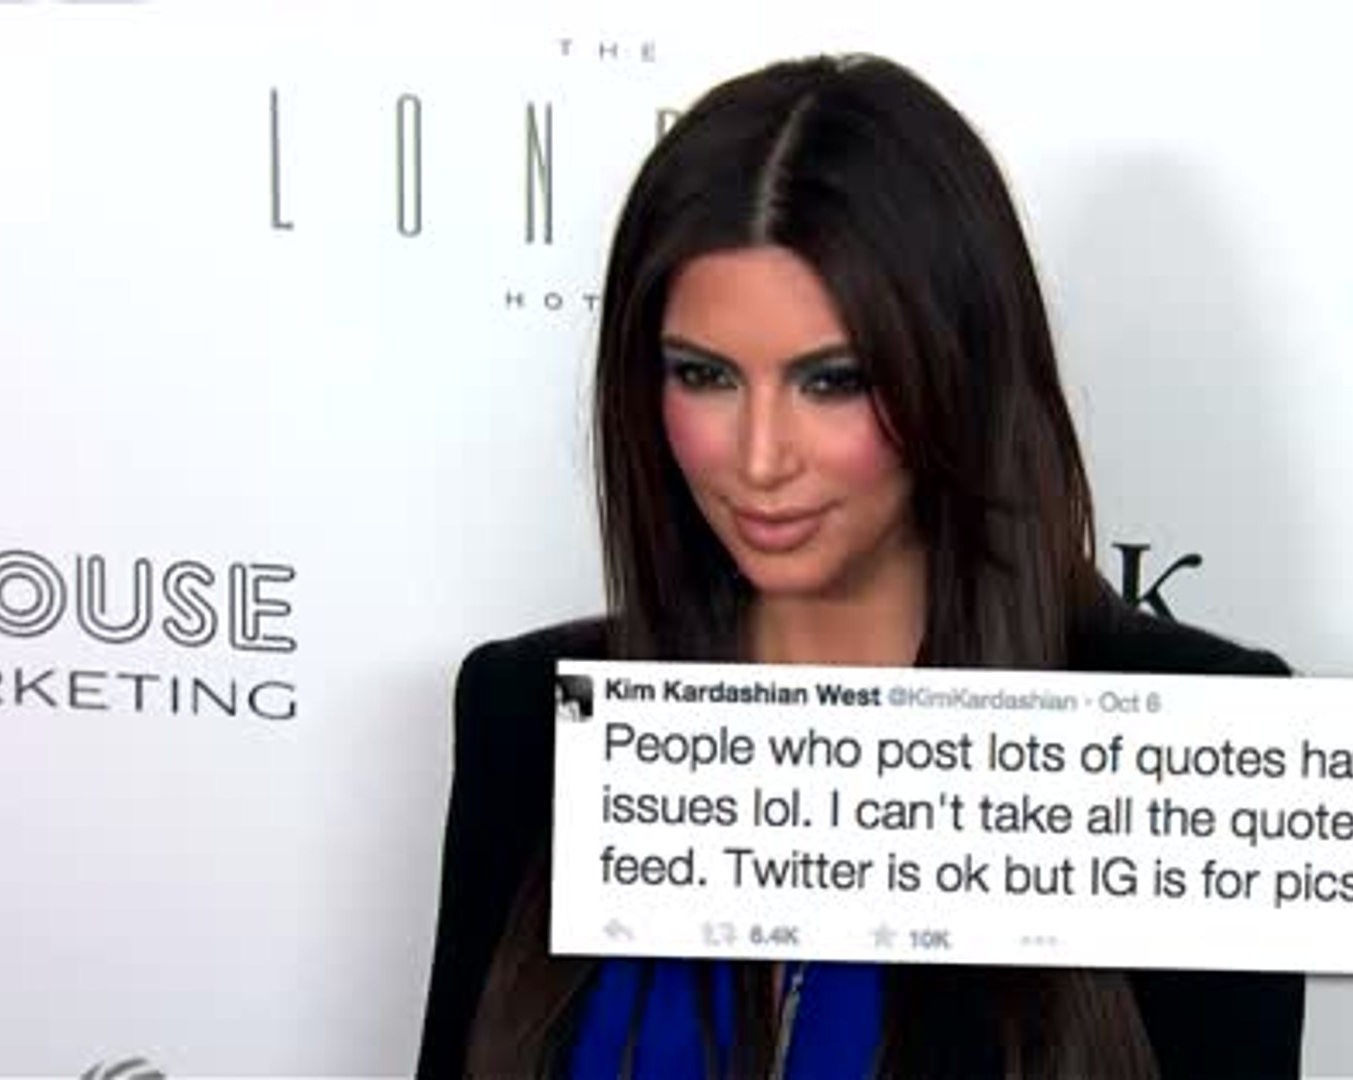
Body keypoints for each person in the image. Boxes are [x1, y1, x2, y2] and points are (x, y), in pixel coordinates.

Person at [417, 52, 1304, 1078]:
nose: (759, 457)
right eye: (704, 375)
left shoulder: (1197, 740)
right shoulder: (528, 715)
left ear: (958, 371)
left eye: (831, 381)